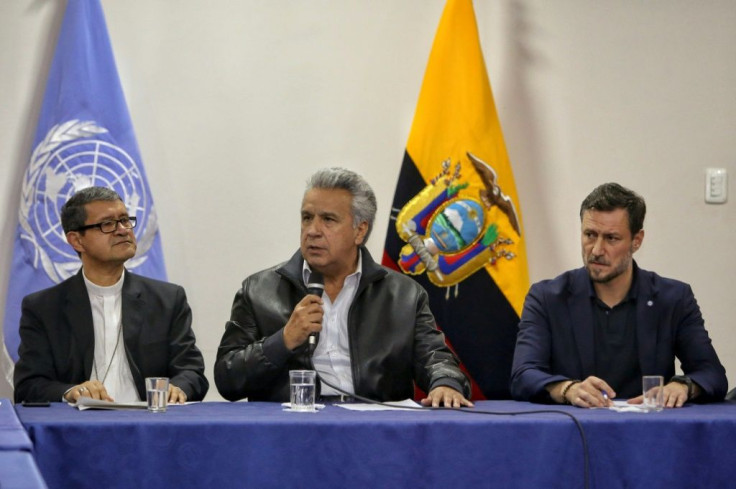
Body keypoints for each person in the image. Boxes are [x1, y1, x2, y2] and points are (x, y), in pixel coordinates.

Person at [215, 167, 472, 407]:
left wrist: (445, 383)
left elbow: (436, 359)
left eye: (328, 220)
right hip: (292, 430)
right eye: (307, 218)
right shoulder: (259, 290)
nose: (312, 230)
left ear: (360, 231)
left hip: (375, 429)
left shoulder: (403, 295)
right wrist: (282, 341)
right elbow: (227, 379)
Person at [510, 182, 727, 408]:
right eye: (590, 235)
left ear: (637, 240)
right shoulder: (547, 297)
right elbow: (522, 375)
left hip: (650, 432)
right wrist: (567, 389)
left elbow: (712, 374)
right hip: (575, 432)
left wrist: (682, 386)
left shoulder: (673, 298)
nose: (596, 250)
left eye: (611, 238)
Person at [14, 187, 208, 404]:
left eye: (125, 220)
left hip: (151, 425)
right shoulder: (44, 308)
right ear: (77, 240)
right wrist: (71, 392)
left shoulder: (168, 300)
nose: (123, 230)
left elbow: (192, 372)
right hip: (80, 428)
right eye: (107, 224)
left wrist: (178, 388)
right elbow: (28, 385)